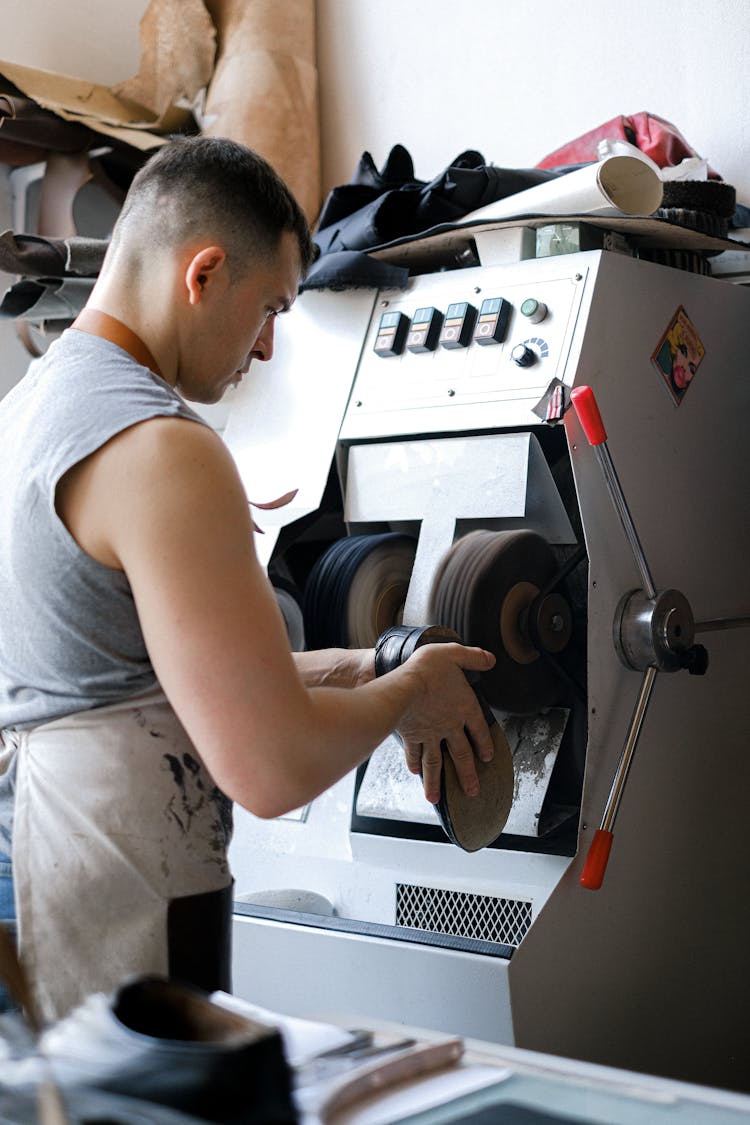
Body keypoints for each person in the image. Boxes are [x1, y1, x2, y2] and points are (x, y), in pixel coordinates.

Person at [0, 137, 496, 1021]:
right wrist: (409, 693)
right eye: (270, 307)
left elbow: (127, 686)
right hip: (114, 899)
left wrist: (364, 666)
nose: (267, 348)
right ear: (204, 274)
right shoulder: (164, 449)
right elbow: (269, 764)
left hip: (28, 878)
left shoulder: (25, 414)